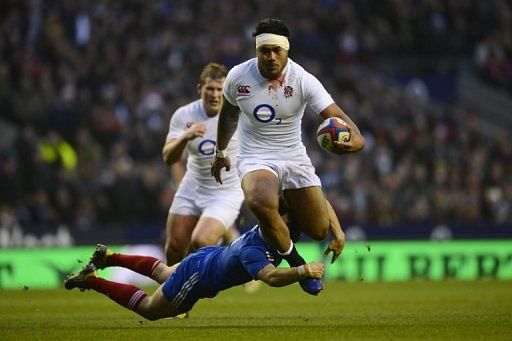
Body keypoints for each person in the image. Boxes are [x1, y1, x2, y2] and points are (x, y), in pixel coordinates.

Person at [210, 18, 364, 293]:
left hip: (293, 157)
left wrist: (354, 144)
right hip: (255, 156)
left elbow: (348, 127)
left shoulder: (303, 80)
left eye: (276, 51)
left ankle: (285, 213)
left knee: (317, 230)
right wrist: (221, 151)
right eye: (264, 50)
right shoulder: (237, 77)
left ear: (286, 51)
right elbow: (228, 116)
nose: (270, 57)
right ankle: (297, 262)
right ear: (256, 50)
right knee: (258, 199)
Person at [64, 198, 345, 321]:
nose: (291, 227)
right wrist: (303, 270)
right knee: (151, 309)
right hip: (198, 277)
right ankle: (92, 281)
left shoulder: (274, 230)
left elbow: (319, 202)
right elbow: (270, 277)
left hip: (205, 257)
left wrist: (337, 231)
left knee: (163, 272)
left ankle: (110, 257)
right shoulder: (256, 251)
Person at [162, 62, 244, 265]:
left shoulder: (240, 114)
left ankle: (221, 273)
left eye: (220, 89)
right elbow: (168, 158)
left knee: (201, 240)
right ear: (200, 89)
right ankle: (172, 295)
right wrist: (184, 137)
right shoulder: (184, 115)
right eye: (210, 89)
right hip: (192, 186)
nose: (215, 95)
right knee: (174, 247)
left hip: (226, 192)